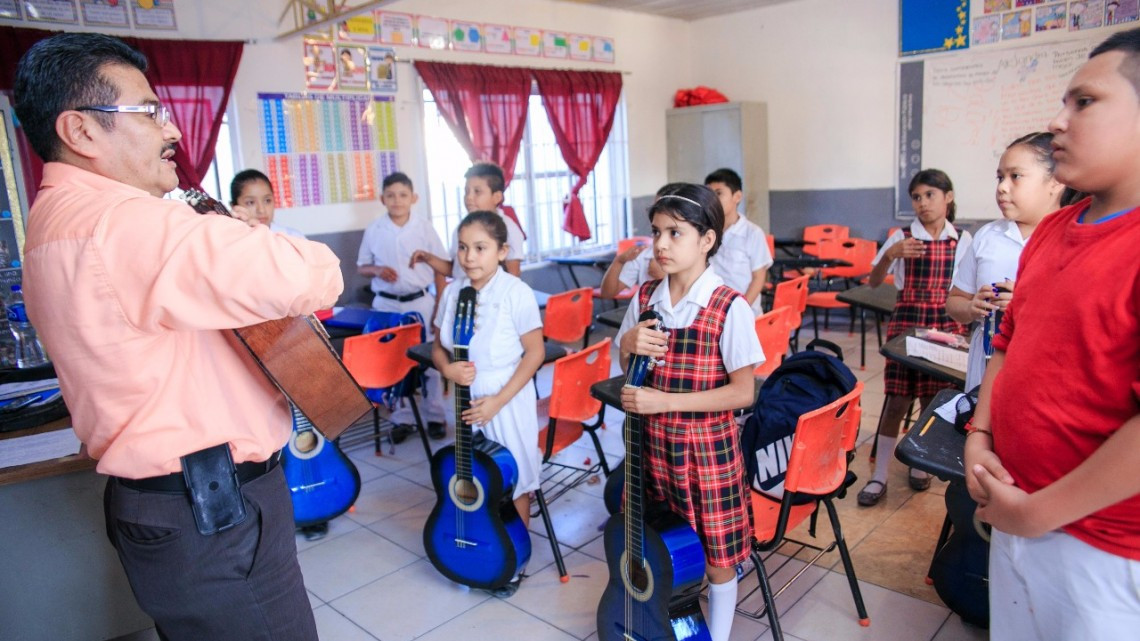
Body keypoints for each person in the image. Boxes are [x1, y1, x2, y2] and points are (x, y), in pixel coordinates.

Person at [14, 33, 342, 640]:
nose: (174, 133)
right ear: (82, 130)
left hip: (163, 510)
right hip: (212, 515)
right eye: (150, 112)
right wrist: (254, 241)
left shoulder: (50, 223)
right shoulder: (126, 223)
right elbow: (312, 273)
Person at [966, 28, 1140, 638]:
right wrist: (981, 434)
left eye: (1084, 102)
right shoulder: (1053, 229)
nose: (1058, 121)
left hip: (1103, 546)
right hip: (1015, 509)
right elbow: (1008, 343)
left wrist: (1040, 512)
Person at [615, 183, 763, 641]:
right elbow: (626, 366)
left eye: (675, 233)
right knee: (655, 543)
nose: (660, 244)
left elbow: (743, 393)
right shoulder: (645, 299)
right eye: (657, 231)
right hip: (650, 450)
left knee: (718, 559)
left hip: (705, 455)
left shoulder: (727, 307)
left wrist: (667, 402)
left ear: (707, 240)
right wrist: (627, 345)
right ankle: (660, 619)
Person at [431, 210, 545, 598]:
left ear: (502, 251)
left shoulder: (516, 292)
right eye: (463, 247)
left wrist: (496, 402)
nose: (469, 257)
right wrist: (449, 369)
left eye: (480, 248)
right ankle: (479, 550)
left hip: (506, 396)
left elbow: (534, 353)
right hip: (466, 398)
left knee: (513, 481)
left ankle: (513, 561)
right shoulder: (452, 292)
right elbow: (437, 346)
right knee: (474, 478)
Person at [857, 169, 972, 506]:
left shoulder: (962, 240)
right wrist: (891, 256)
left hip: (945, 323)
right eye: (917, 197)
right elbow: (874, 281)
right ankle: (879, 477)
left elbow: (966, 288)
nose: (922, 204)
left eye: (930, 196)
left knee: (932, 400)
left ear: (947, 198)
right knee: (896, 400)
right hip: (907, 323)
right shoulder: (901, 236)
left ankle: (919, 464)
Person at [946, 133, 1078, 392]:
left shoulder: (1073, 237)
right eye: (1000, 177)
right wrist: (972, 307)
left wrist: (1029, 303)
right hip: (985, 365)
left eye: (1015, 176)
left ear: (1055, 181)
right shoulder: (988, 236)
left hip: (1046, 372)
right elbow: (954, 302)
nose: (1002, 187)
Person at [357, 171, 449, 441]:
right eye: (391, 195)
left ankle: (436, 416)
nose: (397, 200)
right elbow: (362, 266)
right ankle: (402, 418)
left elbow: (440, 269)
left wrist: (439, 307)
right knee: (394, 362)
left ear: (413, 198)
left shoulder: (424, 227)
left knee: (430, 361)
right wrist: (376, 269)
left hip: (421, 302)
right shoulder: (374, 229)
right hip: (387, 304)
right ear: (382, 199)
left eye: (403, 195)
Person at [409, 161, 525, 278]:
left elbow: (513, 275)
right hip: (463, 295)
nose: (469, 197)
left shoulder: (509, 229)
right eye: (466, 191)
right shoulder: (463, 228)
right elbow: (456, 270)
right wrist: (428, 258)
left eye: (477, 191)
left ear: (497, 197)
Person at [705, 168, 773, 312]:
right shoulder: (704, 231)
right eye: (709, 195)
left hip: (743, 312)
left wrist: (741, 309)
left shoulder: (753, 233)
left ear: (737, 196)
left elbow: (758, 278)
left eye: (719, 193)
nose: (713, 200)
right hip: (711, 310)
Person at [597, 182, 680, 299]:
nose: (656, 213)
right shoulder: (644, 255)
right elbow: (607, 293)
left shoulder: (695, 256)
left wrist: (666, 277)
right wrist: (619, 261)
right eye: (655, 207)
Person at [230, 169, 305, 238]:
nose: (261, 210)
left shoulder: (294, 238)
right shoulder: (231, 241)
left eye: (267, 201)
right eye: (251, 203)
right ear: (234, 206)